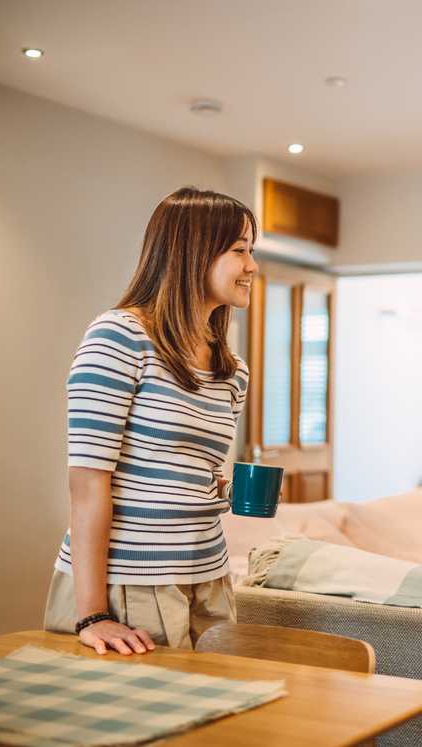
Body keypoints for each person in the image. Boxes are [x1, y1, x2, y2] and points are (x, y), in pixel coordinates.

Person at [43, 187, 258, 655]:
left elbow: (188, 474)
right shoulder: (119, 338)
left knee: (223, 723)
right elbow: (87, 485)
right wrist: (93, 614)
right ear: (193, 252)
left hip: (210, 579)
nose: (251, 266)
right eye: (239, 250)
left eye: (251, 251)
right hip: (132, 583)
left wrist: (227, 491)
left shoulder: (232, 370)